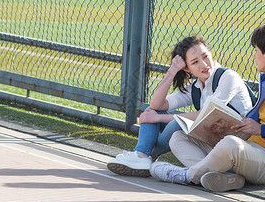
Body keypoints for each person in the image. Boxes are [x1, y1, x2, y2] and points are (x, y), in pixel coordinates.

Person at [150, 20, 265, 192]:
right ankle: (223, 177)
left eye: (256, 50)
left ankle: (186, 176)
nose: (254, 55)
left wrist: (261, 129)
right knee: (178, 138)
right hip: (247, 147)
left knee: (230, 144)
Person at [107, 35, 254, 177]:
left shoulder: (228, 77)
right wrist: (172, 70)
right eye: (195, 62)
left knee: (174, 123)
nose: (203, 64)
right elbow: (156, 104)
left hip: (240, 143)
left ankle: (144, 155)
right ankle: (141, 155)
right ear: (187, 69)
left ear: (210, 53)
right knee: (151, 111)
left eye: (205, 56)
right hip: (215, 139)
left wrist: (157, 117)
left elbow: (206, 114)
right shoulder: (196, 88)